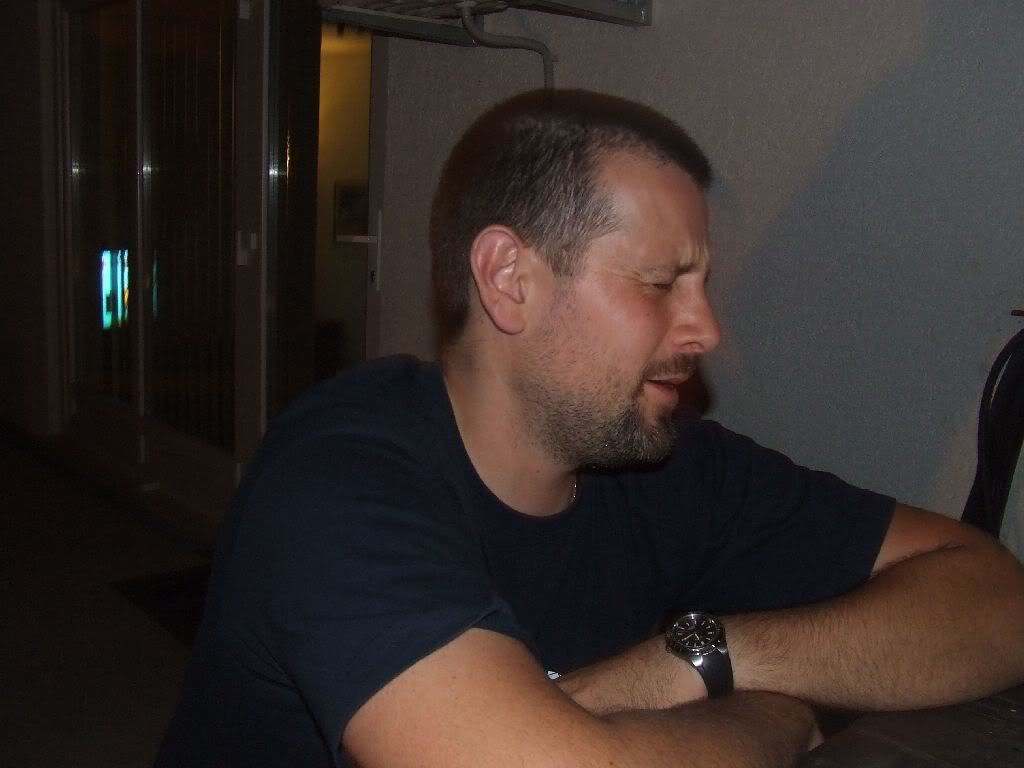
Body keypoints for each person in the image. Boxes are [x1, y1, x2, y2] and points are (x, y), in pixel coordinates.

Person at [156, 90, 1024, 768]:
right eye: (660, 283)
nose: (707, 330)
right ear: (510, 279)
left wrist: (706, 656)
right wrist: (778, 716)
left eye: (703, 284)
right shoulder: (336, 482)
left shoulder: (668, 464)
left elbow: (998, 599)